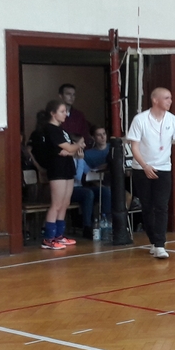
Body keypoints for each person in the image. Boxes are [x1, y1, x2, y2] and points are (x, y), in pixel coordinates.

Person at [126, 87, 175, 259]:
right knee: (147, 207)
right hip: (142, 169)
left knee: (161, 206)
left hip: (164, 169)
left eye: (170, 98)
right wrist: (145, 166)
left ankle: (160, 244)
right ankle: (153, 240)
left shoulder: (173, 120)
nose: (170, 101)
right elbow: (134, 147)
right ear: (155, 100)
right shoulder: (140, 120)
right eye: (166, 98)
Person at [34, 100, 79, 250]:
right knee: (57, 204)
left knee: (65, 203)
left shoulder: (62, 130)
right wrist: (78, 145)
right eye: (62, 111)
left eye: (66, 111)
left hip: (67, 168)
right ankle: (48, 238)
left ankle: (59, 235)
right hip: (57, 169)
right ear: (53, 114)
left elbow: (70, 150)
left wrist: (72, 150)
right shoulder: (50, 129)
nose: (65, 114)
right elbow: (68, 148)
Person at [70, 135, 111, 233]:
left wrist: (102, 168)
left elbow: (89, 172)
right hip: (70, 189)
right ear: (74, 144)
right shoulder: (70, 159)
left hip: (80, 188)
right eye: (82, 143)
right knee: (88, 193)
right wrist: (80, 160)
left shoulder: (79, 158)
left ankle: (105, 221)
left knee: (105, 191)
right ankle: (87, 226)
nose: (84, 145)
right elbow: (78, 177)